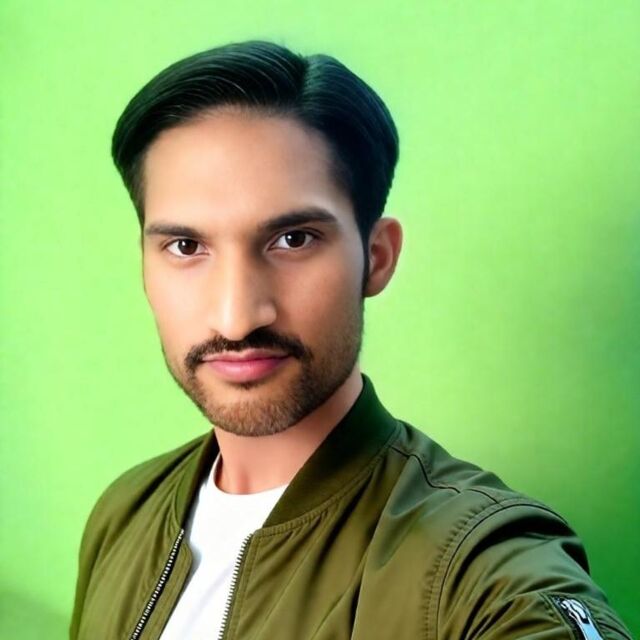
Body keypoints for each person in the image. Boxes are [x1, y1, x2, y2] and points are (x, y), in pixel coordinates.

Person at [70, 40, 631, 640]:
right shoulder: (125, 514)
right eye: (186, 247)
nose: (236, 318)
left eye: (293, 240)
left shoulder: (476, 561)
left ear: (377, 257)